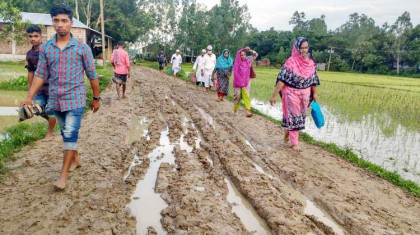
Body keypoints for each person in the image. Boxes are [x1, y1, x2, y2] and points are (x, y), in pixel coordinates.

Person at [21, 5, 100, 190]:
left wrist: (96, 98)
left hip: (76, 98)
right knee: (65, 132)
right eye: (56, 20)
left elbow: (92, 75)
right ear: (52, 22)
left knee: (71, 133)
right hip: (55, 99)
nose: (60, 25)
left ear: (71, 23)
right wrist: (29, 96)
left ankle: (62, 175)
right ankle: (76, 159)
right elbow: (40, 74)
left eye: (64, 21)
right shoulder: (46, 48)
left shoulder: (82, 48)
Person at [269, 37, 320, 152]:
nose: (304, 50)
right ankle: (294, 143)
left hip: (305, 93)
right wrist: (274, 95)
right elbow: (282, 80)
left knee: (300, 117)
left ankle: (289, 130)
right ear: (296, 48)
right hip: (291, 93)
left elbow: (314, 79)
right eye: (301, 48)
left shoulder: (311, 62)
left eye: (306, 47)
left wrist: (315, 93)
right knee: (295, 115)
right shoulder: (291, 62)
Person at [25, 24, 56, 141]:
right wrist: (30, 93)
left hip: (52, 86)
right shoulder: (30, 54)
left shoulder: (49, 50)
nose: (33, 39)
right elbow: (31, 72)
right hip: (38, 88)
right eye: (30, 36)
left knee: (51, 110)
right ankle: (53, 120)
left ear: (40, 37)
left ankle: (50, 132)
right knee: (37, 110)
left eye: (35, 36)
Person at [233, 47, 255, 117]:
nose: (243, 56)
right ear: (239, 56)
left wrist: (249, 50)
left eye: (244, 54)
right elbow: (236, 73)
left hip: (246, 82)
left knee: (246, 96)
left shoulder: (248, 61)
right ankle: (235, 110)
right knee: (238, 97)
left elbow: (255, 54)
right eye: (241, 55)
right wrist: (244, 49)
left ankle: (247, 111)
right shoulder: (237, 62)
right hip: (238, 83)